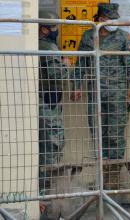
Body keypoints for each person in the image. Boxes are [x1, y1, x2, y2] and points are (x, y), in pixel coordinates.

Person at [71, 3, 130, 189]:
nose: (113, 22)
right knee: (97, 132)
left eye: (115, 19)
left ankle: (112, 181)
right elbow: (80, 64)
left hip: (117, 94)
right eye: (109, 19)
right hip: (95, 93)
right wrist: (76, 85)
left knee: (115, 135)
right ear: (100, 19)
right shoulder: (88, 36)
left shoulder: (124, 37)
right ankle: (102, 180)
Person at [38, 10, 71, 218]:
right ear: (43, 29)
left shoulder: (46, 46)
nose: (56, 31)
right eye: (53, 28)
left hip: (48, 104)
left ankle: (44, 200)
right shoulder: (47, 47)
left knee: (50, 150)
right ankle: (43, 202)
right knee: (52, 149)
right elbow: (56, 74)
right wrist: (66, 65)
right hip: (47, 107)